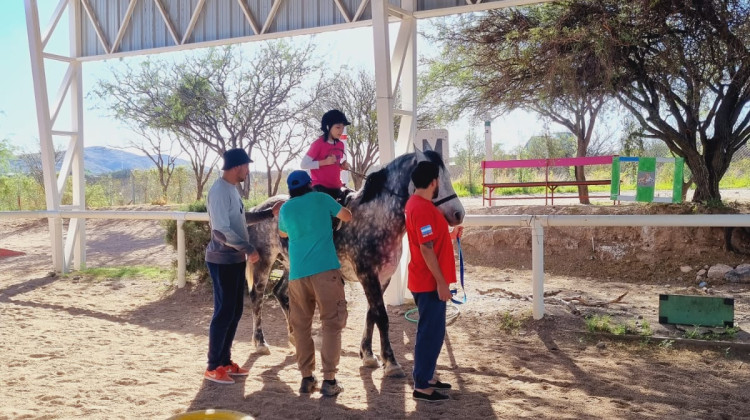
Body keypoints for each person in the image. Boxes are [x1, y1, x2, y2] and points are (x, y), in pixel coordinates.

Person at [203, 148, 281, 385]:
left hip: (233, 260)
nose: (248, 171)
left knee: (234, 311)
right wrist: (248, 248)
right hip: (222, 260)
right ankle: (213, 366)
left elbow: (239, 219)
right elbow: (220, 231)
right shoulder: (219, 191)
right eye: (246, 166)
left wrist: (269, 213)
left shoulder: (231, 190)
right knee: (224, 312)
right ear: (237, 166)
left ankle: (225, 362)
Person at [278, 170, 352, 396]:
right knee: (331, 323)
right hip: (325, 271)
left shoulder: (285, 208)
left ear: (290, 189)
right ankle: (329, 381)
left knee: (301, 327)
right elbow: (347, 215)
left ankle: (306, 378)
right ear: (311, 185)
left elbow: (283, 232)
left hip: (297, 275)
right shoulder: (321, 198)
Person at [404, 161, 464, 402]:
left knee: (432, 332)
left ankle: (426, 376)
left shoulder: (417, 205)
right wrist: (441, 283)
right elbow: (426, 249)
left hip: (426, 279)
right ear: (434, 183)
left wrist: (450, 235)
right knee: (431, 333)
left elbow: (429, 239)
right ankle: (421, 386)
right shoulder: (423, 209)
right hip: (429, 282)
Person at [300, 109, 353, 204]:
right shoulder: (318, 144)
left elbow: (334, 166)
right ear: (328, 127)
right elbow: (303, 164)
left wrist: (342, 166)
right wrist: (325, 162)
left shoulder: (341, 145)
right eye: (338, 127)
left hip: (337, 186)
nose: (341, 130)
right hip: (321, 187)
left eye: (342, 127)